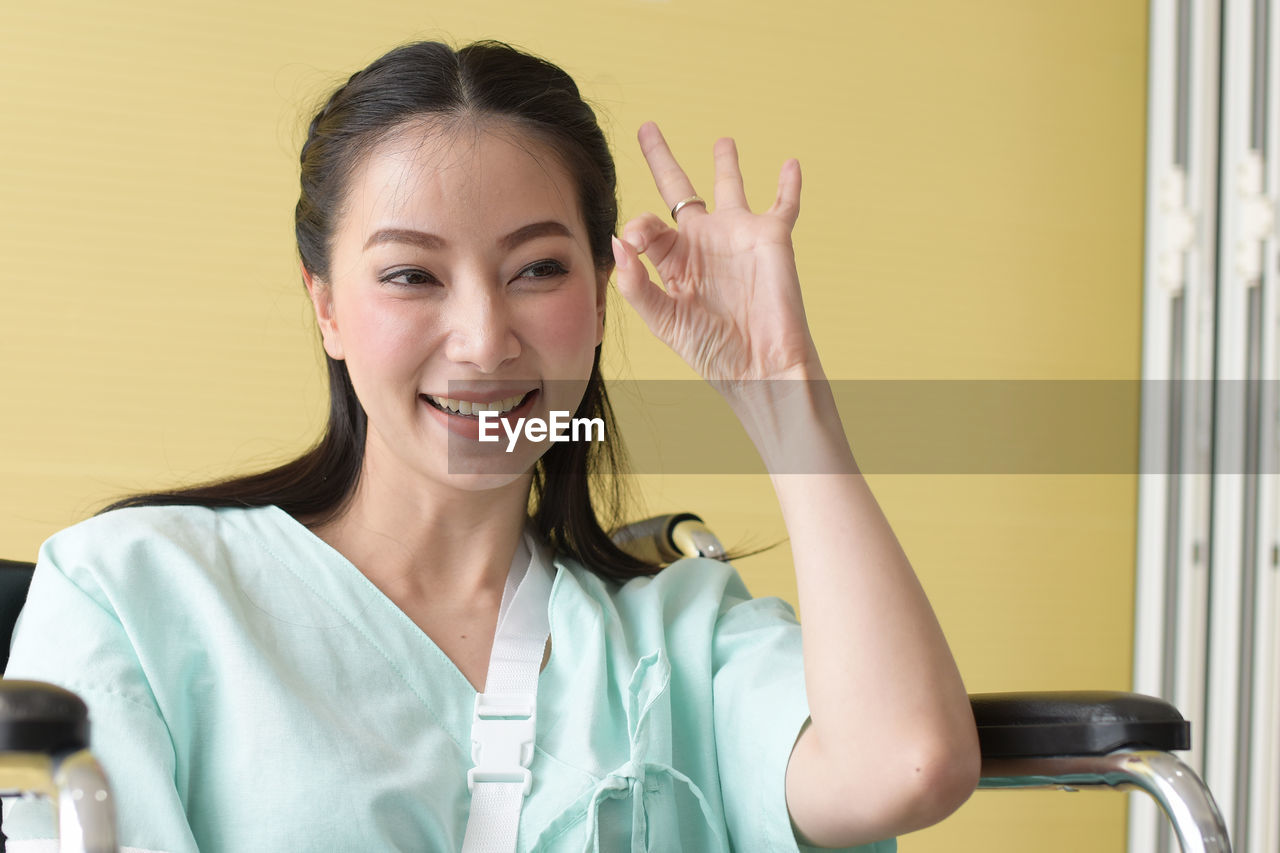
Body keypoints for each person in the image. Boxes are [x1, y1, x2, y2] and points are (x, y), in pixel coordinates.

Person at [2, 40, 979, 851]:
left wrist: (780, 390)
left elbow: (908, 762)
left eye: (536, 268)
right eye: (411, 276)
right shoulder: (134, 591)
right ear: (327, 305)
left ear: (600, 297)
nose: (480, 338)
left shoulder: (680, 637)